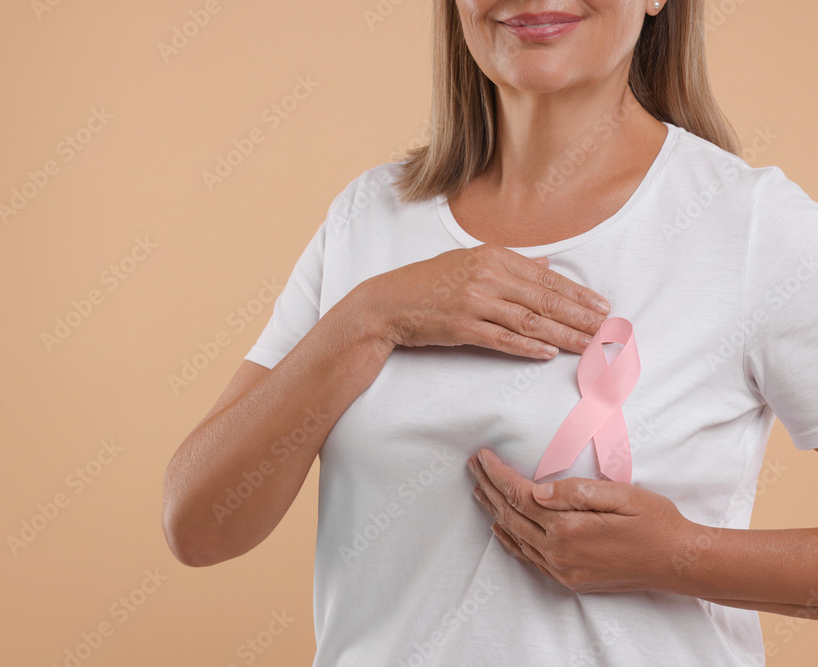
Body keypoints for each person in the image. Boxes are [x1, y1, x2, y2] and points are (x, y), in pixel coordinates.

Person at [163, 0, 818, 664]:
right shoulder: (368, 218)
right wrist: (369, 318)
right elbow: (197, 523)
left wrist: (679, 556)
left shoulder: (749, 228)